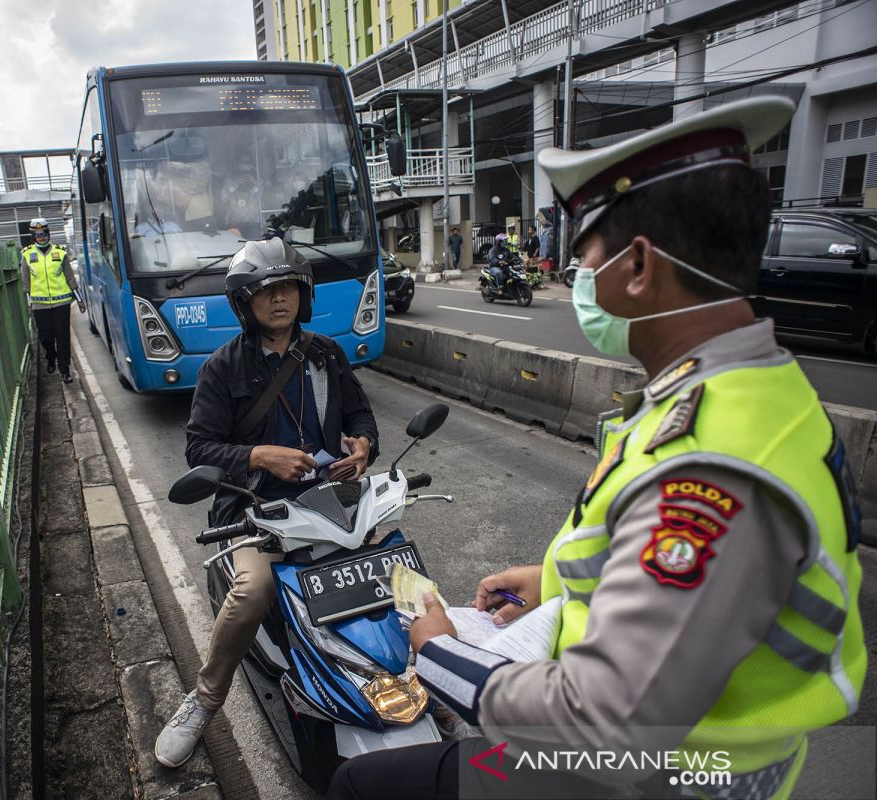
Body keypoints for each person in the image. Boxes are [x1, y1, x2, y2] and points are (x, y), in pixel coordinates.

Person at [328, 96, 866, 800]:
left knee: (360, 788)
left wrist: (439, 653)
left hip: (657, 777)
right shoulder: (743, 390)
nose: (576, 273)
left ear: (639, 266)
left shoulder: (711, 463)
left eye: (585, 254)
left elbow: (602, 720)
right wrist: (554, 579)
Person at [154, 237, 380, 768]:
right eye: (265, 290)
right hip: (256, 512)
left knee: (385, 566)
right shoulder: (221, 368)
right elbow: (199, 448)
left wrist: (364, 445)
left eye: (288, 289)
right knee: (253, 590)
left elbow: (360, 416)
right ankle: (206, 699)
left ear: (302, 294)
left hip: (330, 501)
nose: (279, 299)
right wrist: (259, 456)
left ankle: (412, 674)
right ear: (244, 302)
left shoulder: (327, 354)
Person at [21, 218, 83, 384]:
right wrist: (29, 305)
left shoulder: (60, 253)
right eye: (38, 234)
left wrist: (79, 299)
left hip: (61, 303)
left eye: (44, 234)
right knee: (46, 337)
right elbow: (26, 283)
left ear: (48, 234)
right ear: (33, 236)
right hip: (40, 305)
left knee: (63, 336)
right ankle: (50, 356)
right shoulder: (27, 255)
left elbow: (70, 278)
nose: (42, 237)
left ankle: (64, 370)